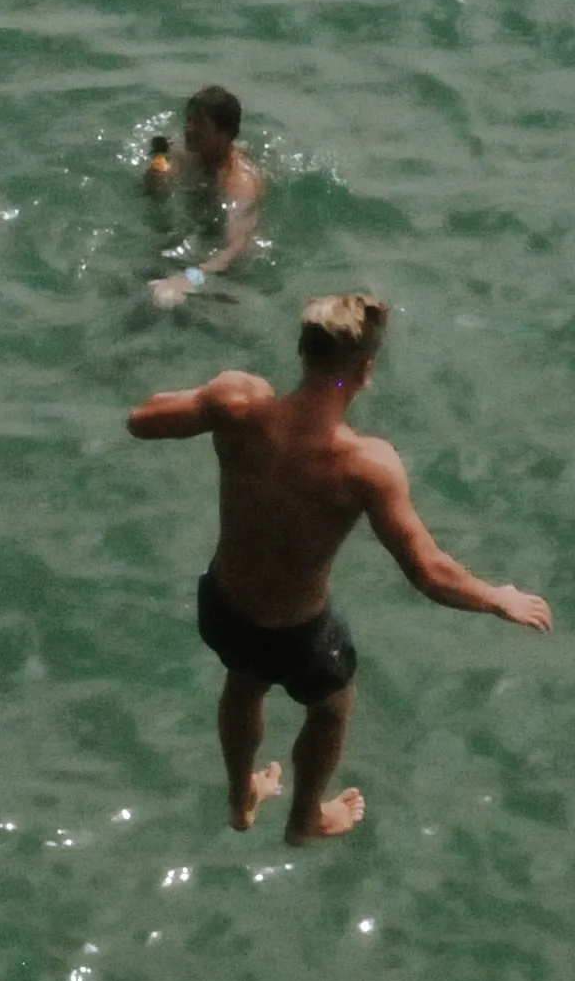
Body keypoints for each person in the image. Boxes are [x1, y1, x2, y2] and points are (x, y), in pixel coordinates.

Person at [124, 293, 549, 842]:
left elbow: (141, 422)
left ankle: (241, 798)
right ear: (365, 371)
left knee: (244, 681)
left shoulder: (239, 404)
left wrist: (211, 401)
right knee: (331, 708)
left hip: (225, 604)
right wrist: (497, 598)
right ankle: (305, 818)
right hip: (299, 633)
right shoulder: (365, 465)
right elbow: (428, 570)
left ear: (302, 350)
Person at [140, 83, 265, 308]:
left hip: (222, 268)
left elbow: (234, 252)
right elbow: (151, 195)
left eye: (200, 124)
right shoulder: (183, 153)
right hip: (190, 238)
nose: (189, 128)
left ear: (225, 135)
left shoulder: (241, 184)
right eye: (189, 120)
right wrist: (154, 181)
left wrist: (190, 278)